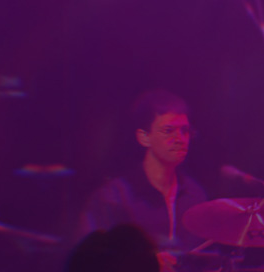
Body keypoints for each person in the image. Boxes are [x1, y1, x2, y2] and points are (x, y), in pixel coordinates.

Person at [80, 89, 206, 254]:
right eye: (168, 131)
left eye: (185, 131)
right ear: (144, 137)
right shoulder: (114, 197)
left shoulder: (194, 195)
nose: (180, 139)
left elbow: (204, 259)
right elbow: (91, 257)